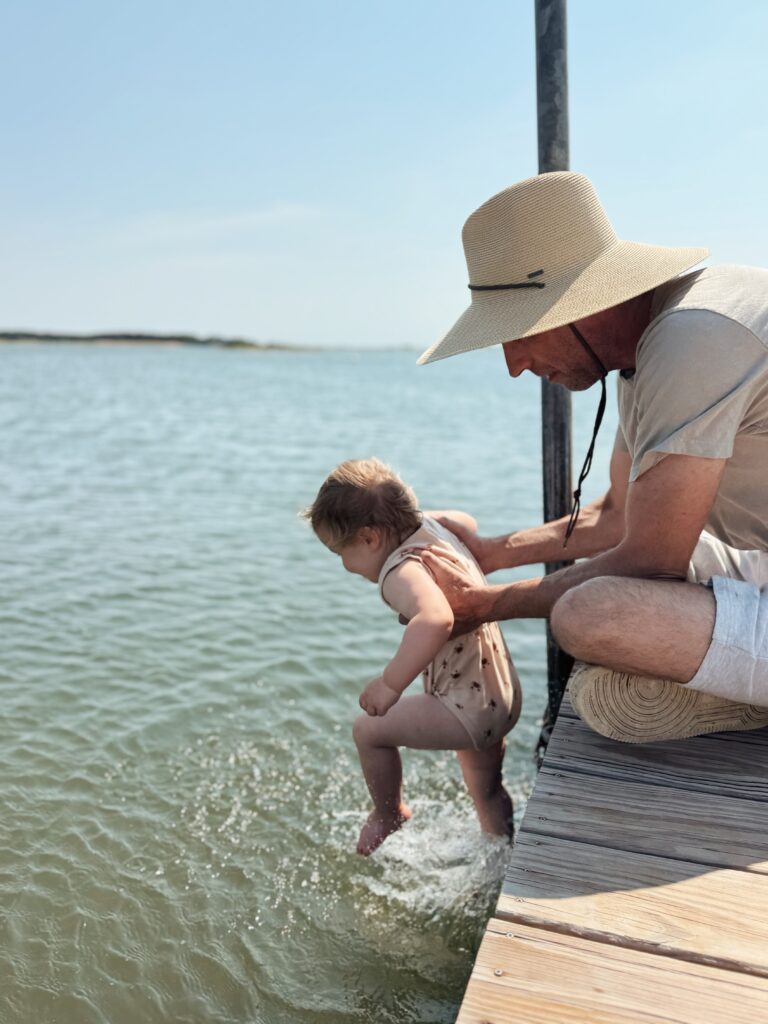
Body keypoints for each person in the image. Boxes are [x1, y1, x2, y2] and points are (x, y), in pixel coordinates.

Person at [413, 170, 768, 744]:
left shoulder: (693, 337)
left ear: (577, 305)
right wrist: (493, 552)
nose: (514, 365)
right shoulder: (652, 345)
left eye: (517, 334)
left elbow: (650, 562)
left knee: (587, 614)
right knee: (605, 585)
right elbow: (618, 516)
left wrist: (480, 605)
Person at [302, 458, 522, 854]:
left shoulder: (399, 570)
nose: (344, 564)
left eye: (339, 552)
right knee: (486, 790)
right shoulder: (434, 528)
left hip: (466, 706)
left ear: (370, 538)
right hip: (499, 692)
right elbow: (467, 521)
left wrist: (390, 684)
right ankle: (503, 854)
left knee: (368, 732)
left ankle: (388, 812)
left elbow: (436, 619)